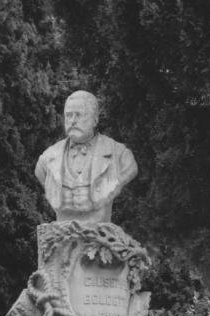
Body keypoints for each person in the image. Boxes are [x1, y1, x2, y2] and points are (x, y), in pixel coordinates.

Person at [35, 91, 137, 224]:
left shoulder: (120, 155)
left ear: (95, 120)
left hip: (98, 233)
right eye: (68, 115)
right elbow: (41, 175)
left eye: (78, 115)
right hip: (62, 234)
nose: (72, 121)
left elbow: (129, 171)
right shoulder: (47, 159)